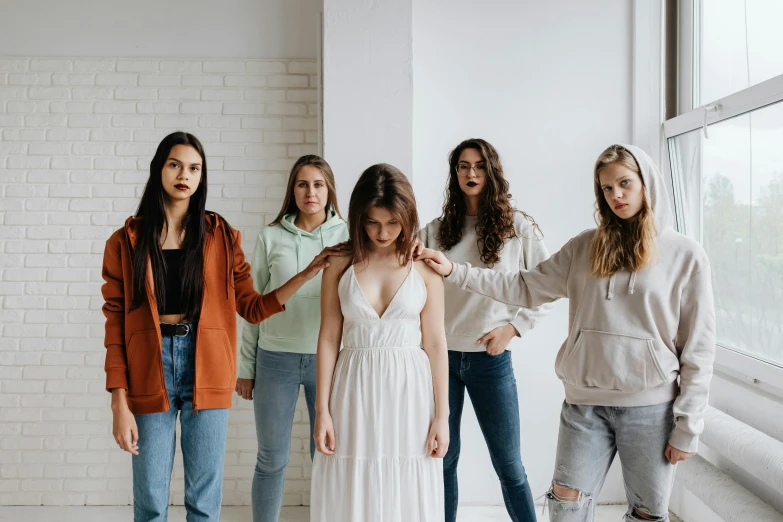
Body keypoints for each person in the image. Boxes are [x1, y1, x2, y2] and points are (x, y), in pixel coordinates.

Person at [416, 144, 716, 522]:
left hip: (650, 407)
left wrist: (688, 425)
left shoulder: (685, 254)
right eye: (606, 188)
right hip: (583, 404)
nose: (616, 196)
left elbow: (699, 348)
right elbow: (524, 287)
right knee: (565, 507)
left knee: (646, 514)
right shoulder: (584, 247)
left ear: (647, 183)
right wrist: (454, 271)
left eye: (624, 183)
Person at [101, 132, 335, 522]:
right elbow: (114, 325)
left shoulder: (220, 236)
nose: (184, 175)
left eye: (194, 168)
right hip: (148, 366)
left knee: (204, 503)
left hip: (207, 365)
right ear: (160, 168)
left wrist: (307, 272)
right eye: (175, 165)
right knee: (151, 501)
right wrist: (117, 401)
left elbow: (253, 307)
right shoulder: (126, 240)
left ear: (202, 177)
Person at [420, 138, 551, 522]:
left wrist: (513, 327)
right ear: (454, 173)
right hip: (440, 360)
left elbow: (547, 286)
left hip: (491, 361)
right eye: (463, 166)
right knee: (443, 459)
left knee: (509, 466)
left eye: (478, 166)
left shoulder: (518, 227)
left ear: (491, 171)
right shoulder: (438, 229)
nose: (471, 173)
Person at [309, 164, 449, 522]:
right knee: (354, 478)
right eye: (372, 222)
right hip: (353, 388)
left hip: (410, 392)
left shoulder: (426, 267)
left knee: (406, 477)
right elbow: (327, 339)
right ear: (359, 218)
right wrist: (322, 410)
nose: (383, 232)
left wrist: (442, 416)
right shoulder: (339, 263)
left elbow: (435, 343)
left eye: (392, 223)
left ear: (407, 217)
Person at [236, 155, 348, 522]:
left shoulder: (348, 236)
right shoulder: (270, 237)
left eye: (318, 184)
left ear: (329, 189)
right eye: (302, 184)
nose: (310, 192)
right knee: (271, 457)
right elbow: (255, 306)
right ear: (292, 190)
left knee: (328, 455)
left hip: (329, 360)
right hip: (275, 359)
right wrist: (246, 367)